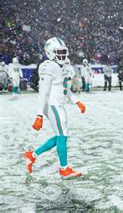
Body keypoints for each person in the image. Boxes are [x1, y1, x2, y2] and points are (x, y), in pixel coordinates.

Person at [23, 37, 86, 178]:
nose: (62, 55)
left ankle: (32, 155)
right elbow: (43, 93)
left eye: (63, 51)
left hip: (58, 104)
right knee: (62, 135)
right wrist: (39, 115)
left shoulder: (61, 66)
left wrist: (77, 101)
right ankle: (64, 169)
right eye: (58, 52)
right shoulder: (49, 67)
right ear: (50, 53)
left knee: (61, 136)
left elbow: (64, 89)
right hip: (52, 105)